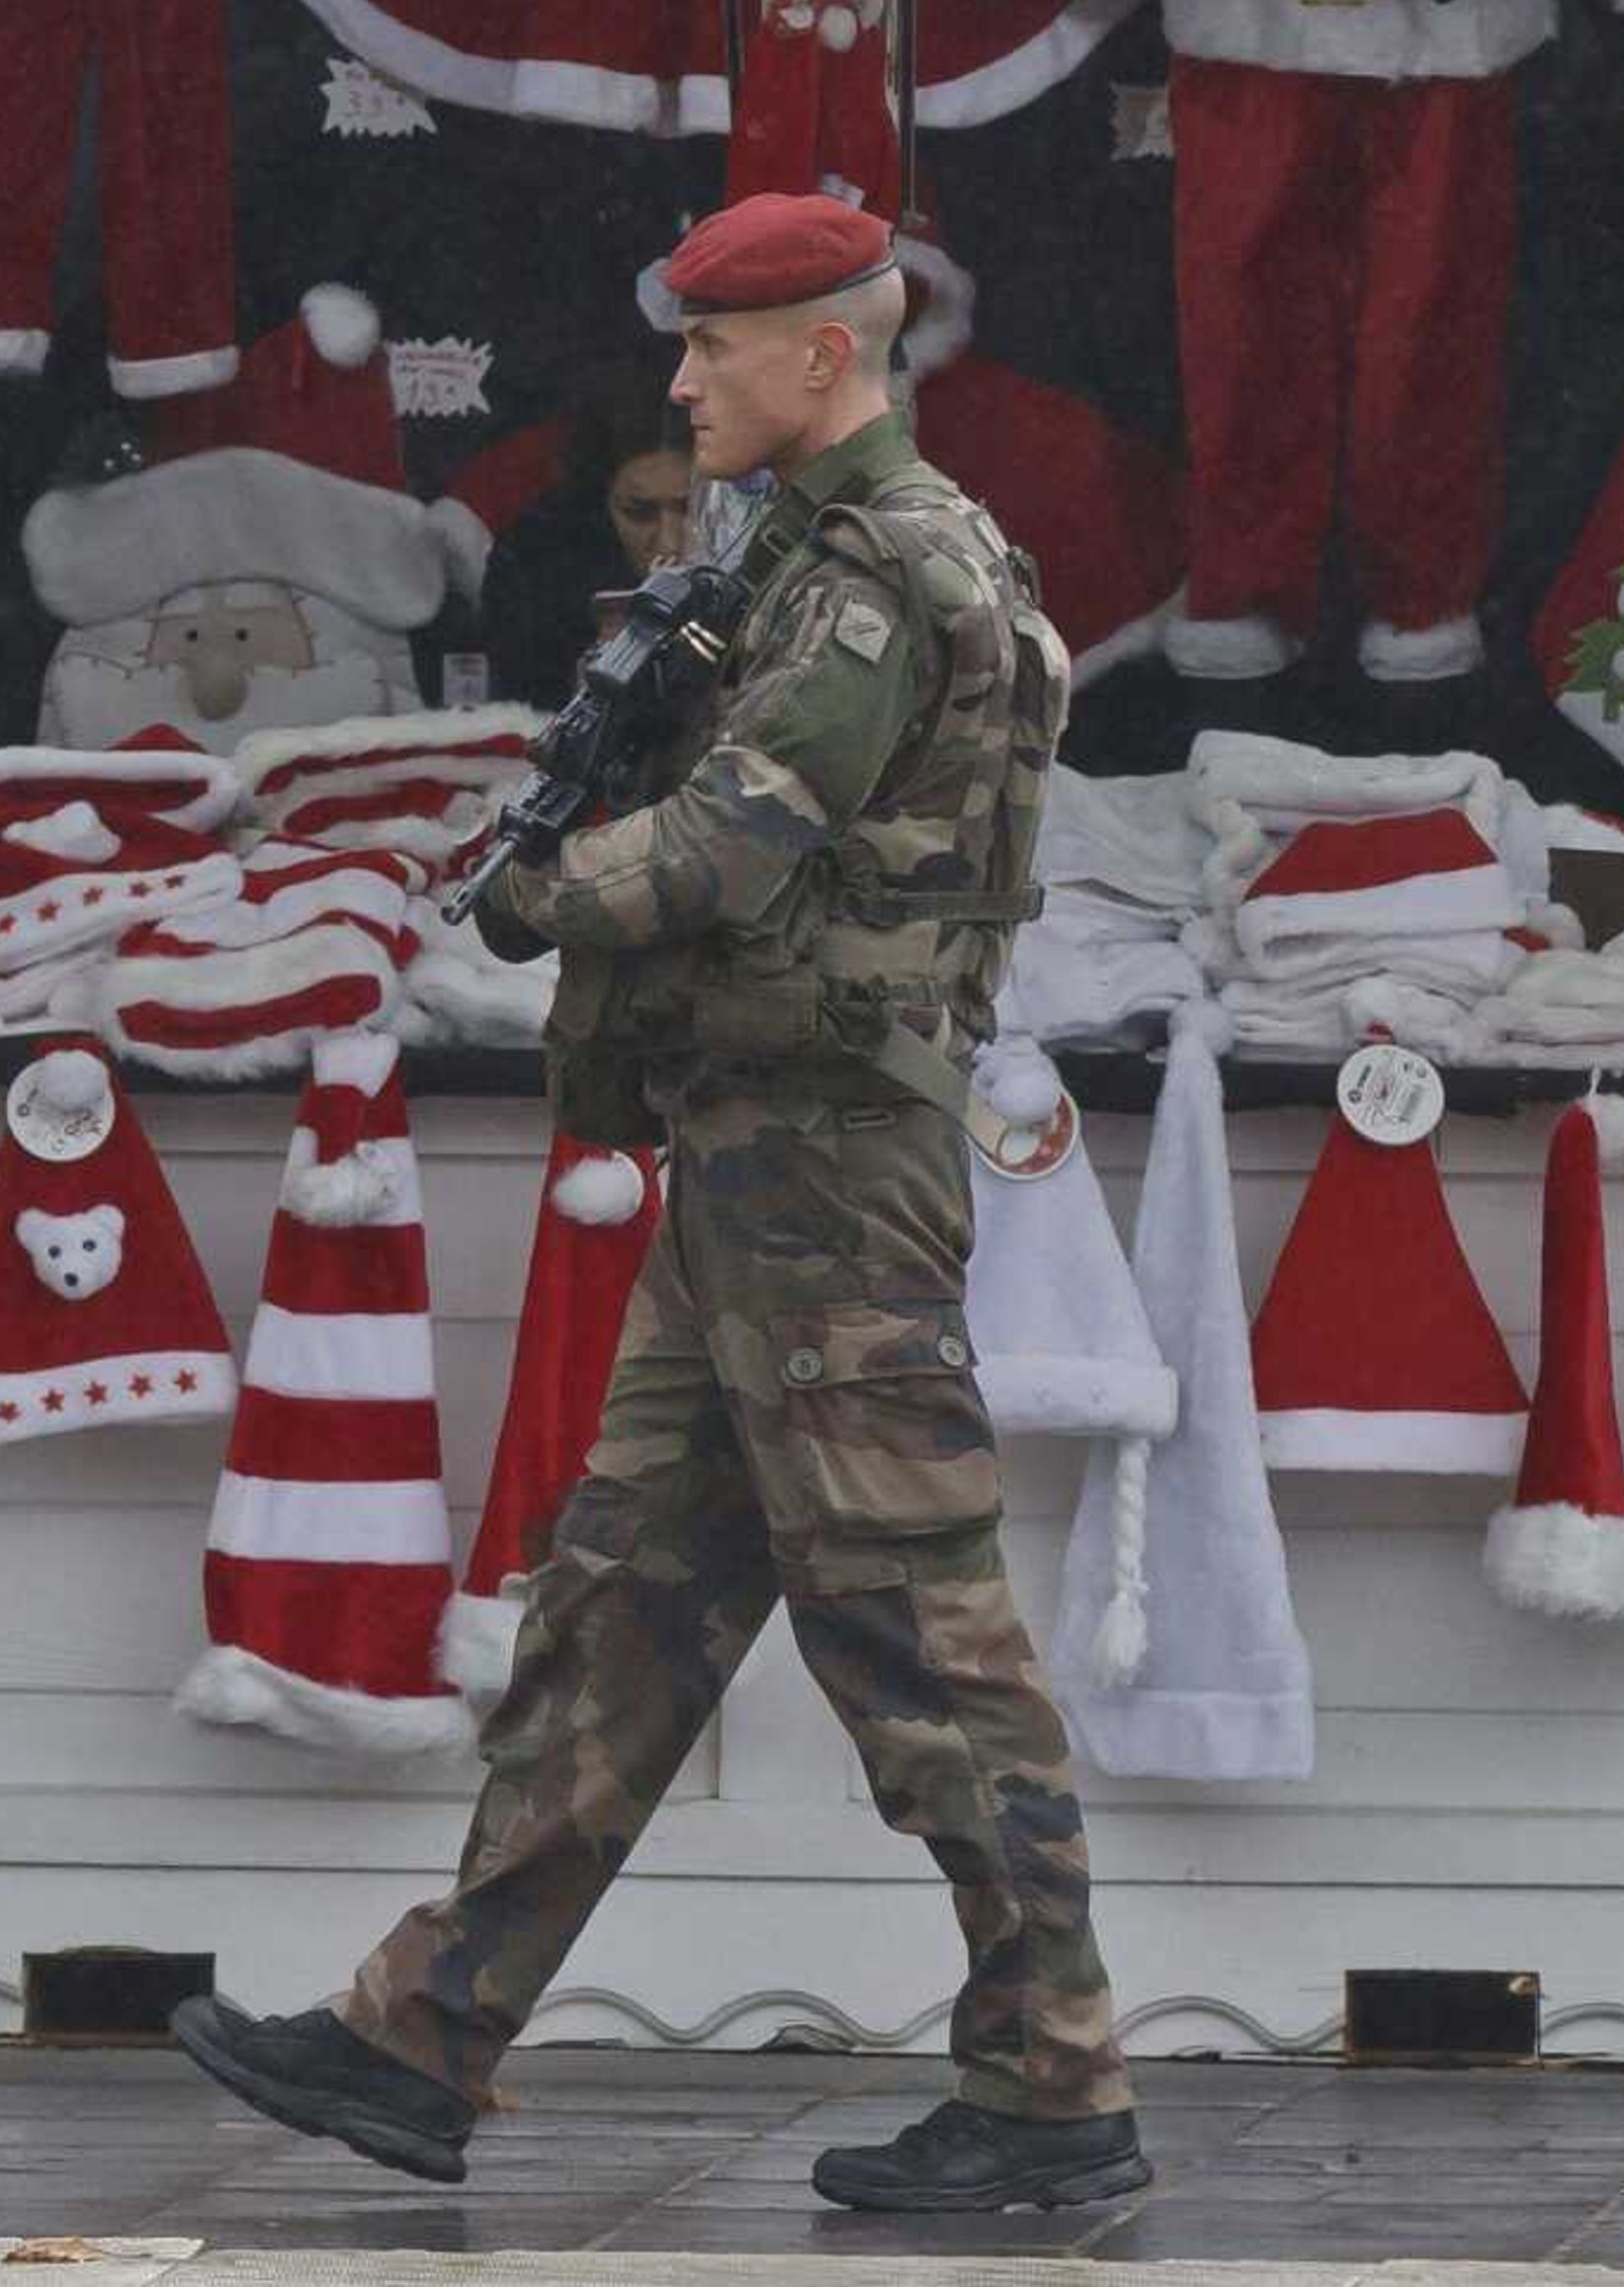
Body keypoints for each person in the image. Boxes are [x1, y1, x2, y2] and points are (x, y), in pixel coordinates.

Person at [171, 191, 1147, 2215]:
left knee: (921, 1633)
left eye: (718, 346)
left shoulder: (885, 575)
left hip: (827, 1171)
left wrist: (535, 897)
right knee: (615, 1611)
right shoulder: (788, 556)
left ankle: (1057, 2093)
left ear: (831, 355)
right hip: (749, 1161)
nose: (684, 380)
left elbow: (732, 841)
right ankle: (418, 2038)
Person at [471, 377, 701, 713]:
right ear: (599, 510)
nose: (669, 538)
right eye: (639, 512)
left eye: (690, 509)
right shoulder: (538, 579)